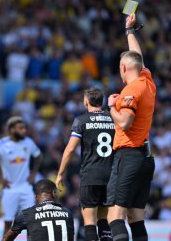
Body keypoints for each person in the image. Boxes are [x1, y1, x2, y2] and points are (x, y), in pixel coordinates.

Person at [106, 14, 156, 241]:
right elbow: (139, 58)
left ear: (123, 67)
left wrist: (110, 107)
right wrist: (130, 32)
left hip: (129, 155)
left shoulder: (130, 91)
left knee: (114, 216)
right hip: (146, 157)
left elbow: (124, 122)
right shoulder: (147, 82)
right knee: (136, 218)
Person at [56, 88, 114, 241]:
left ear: (86, 101)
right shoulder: (113, 119)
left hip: (90, 175)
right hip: (110, 176)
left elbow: (70, 149)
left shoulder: (81, 120)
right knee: (103, 219)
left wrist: (60, 173)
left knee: (89, 222)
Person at [0, 116, 42, 235]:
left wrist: (33, 172)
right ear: (12, 130)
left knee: (31, 222)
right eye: (20, 128)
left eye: (24, 127)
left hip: (26, 187)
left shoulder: (28, 142)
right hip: (9, 189)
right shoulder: (1, 144)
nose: (24, 130)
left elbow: (39, 156)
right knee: (8, 223)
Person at [2, 179, 74, 241]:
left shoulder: (26, 214)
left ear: (35, 197)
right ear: (54, 193)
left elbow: (7, 238)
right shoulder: (67, 213)